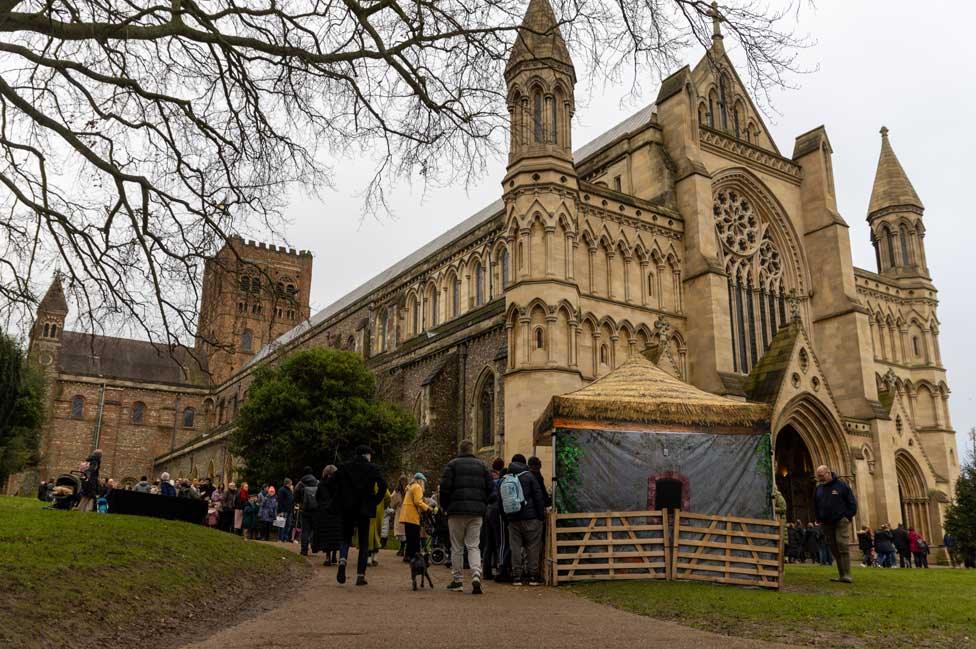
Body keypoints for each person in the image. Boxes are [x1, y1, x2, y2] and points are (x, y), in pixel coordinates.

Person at [440, 439, 493, 594]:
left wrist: (445, 506)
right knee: (473, 545)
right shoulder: (482, 466)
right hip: (476, 512)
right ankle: (476, 573)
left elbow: (444, 488)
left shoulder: (452, 465)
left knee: (457, 547)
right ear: (472, 450)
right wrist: (483, 503)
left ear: (460, 450)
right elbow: (491, 488)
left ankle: (457, 580)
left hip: (456, 511)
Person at [334, 446, 388, 586]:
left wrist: (341, 500)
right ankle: (360, 575)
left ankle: (342, 561)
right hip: (364, 508)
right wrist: (375, 501)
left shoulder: (345, 467)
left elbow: (335, 484)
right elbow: (383, 485)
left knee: (345, 537)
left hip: (348, 507)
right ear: (366, 455)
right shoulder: (372, 468)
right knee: (364, 542)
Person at [504, 454, 546, 586]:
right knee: (532, 546)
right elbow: (538, 497)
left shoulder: (507, 477)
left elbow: (501, 500)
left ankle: (517, 576)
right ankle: (533, 576)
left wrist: (507, 517)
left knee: (515, 547)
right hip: (531, 517)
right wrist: (540, 516)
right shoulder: (530, 476)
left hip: (513, 518)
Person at [813, 465, 857, 583]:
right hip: (826, 523)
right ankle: (842, 575)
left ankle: (847, 575)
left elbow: (852, 503)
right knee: (834, 548)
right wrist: (818, 518)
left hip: (840, 521)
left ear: (828, 473)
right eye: (818, 477)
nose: (820, 479)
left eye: (821, 476)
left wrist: (847, 517)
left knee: (842, 544)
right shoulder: (819, 488)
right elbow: (816, 504)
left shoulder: (841, 485)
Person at [313, 466, 343, 565]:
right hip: (336, 511)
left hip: (324, 512)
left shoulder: (321, 484)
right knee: (335, 534)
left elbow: (317, 497)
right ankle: (334, 556)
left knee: (326, 535)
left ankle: (327, 557)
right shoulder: (339, 484)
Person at [400, 473, 432, 565]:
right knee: (415, 538)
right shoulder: (417, 487)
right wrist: (428, 508)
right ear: (421, 481)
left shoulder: (410, 487)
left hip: (406, 514)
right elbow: (418, 502)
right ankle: (415, 557)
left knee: (410, 537)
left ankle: (408, 556)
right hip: (412, 515)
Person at [295, 467, 320, 555]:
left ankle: (304, 550)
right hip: (316, 509)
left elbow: (296, 494)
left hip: (304, 509)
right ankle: (314, 547)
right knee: (315, 529)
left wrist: (300, 502)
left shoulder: (300, 483)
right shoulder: (317, 482)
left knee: (305, 530)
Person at [390, 475, 408, 557]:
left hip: (404, 512)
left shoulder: (406, 490)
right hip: (403, 511)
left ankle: (402, 548)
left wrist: (394, 506)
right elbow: (392, 500)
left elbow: (392, 502)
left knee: (403, 531)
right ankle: (402, 548)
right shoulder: (399, 491)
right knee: (402, 531)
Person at [276, 478, 295, 542]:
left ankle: (285, 538)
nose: (291, 484)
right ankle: (279, 539)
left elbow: (292, 500)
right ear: (287, 483)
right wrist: (280, 511)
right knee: (280, 525)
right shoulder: (281, 490)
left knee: (288, 525)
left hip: (289, 511)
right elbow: (280, 501)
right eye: (290, 483)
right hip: (282, 511)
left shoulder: (290, 491)